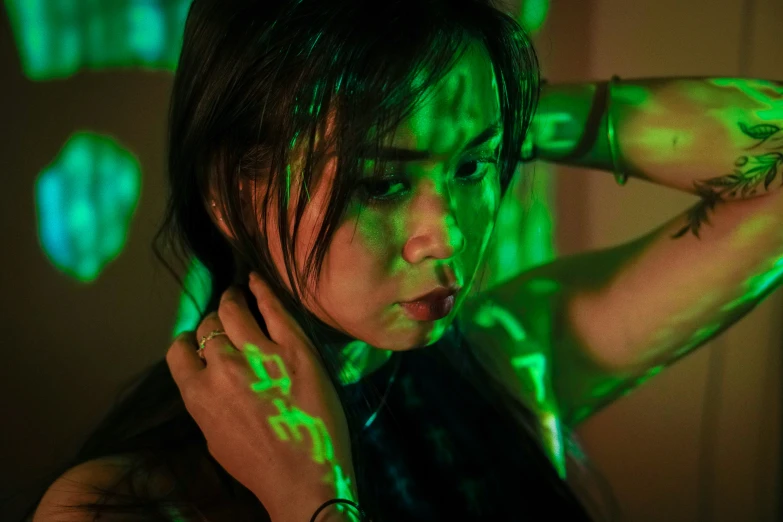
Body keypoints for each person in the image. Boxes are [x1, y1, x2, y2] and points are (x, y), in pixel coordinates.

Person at [19, 0, 783, 520]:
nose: (445, 234)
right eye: (379, 180)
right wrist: (312, 499)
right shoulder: (120, 506)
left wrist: (488, 108)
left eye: (473, 170)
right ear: (229, 190)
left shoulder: (510, 361)